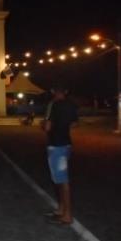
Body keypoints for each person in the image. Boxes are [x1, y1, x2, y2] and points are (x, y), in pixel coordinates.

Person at [44, 87, 78, 225]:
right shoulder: (72, 105)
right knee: (60, 180)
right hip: (66, 144)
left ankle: (67, 215)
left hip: (56, 145)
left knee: (62, 182)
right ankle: (61, 209)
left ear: (55, 92)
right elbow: (75, 124)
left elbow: (47, 126)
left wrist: (44, 124)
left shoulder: (55, 105)